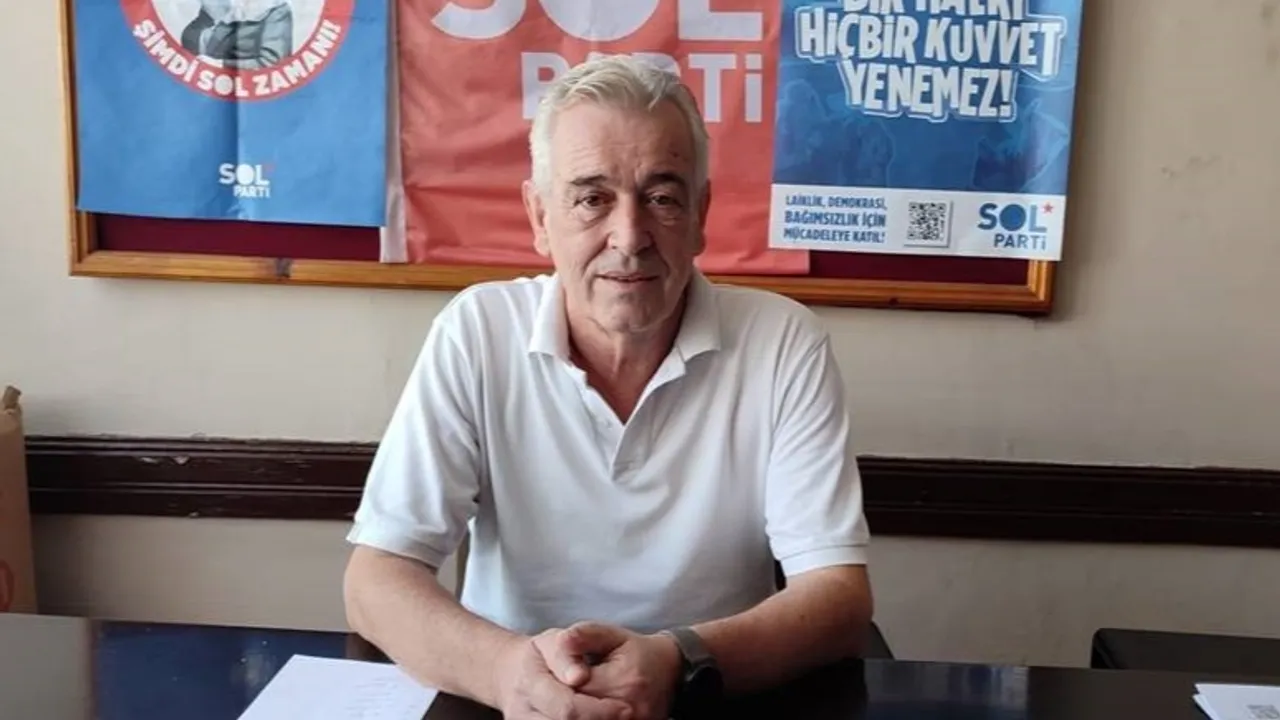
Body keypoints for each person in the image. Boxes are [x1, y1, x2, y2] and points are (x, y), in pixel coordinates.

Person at [343, 55, 874, 720]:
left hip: (710, 694)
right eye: (592, 198)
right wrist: (510, 674)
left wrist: (678, 660)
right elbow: (375, 581)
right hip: (508, 700)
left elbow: (838, 596)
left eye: (662, 198)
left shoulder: (784, 342)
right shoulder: (477, 331)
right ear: (540, 216)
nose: (629, 237)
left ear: (700, 214)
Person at [180, 0, 293, 70]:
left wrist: (221, 64)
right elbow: (192, 36)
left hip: (254, 91)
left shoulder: (277, 10)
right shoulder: (228, 7)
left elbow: (272, 63)